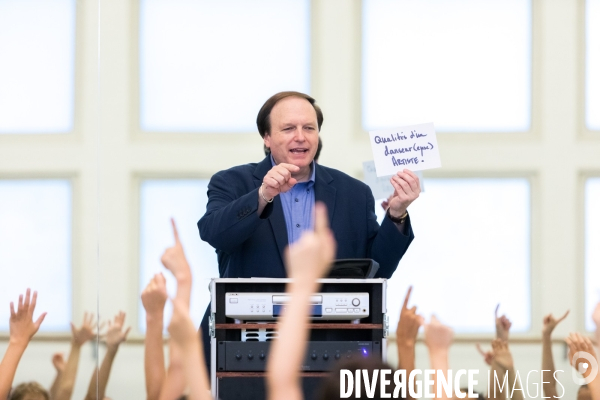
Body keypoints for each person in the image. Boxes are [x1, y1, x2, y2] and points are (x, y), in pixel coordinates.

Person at [197, 91, 420, 367]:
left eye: (309, 128)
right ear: (266, 138)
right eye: (289, 128)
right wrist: (263, 194)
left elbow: (376, 271)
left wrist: (396, 214)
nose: (300, 136)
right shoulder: (232, 182)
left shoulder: (354, 193)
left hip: (332, 349)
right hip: (247, 342)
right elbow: (213, 232)